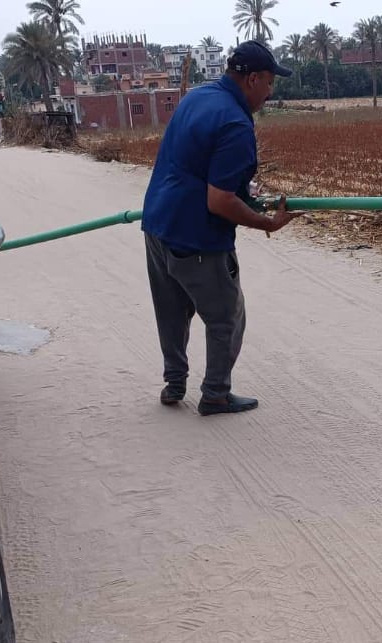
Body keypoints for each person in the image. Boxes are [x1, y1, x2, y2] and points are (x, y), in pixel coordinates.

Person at [141, 40, 300, 416]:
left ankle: (174, 383)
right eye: (269, 82)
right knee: (227, 315)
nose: (270, 92)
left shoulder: (198, 97)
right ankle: (215, 394)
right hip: (196, 236)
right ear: (253, 79)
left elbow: (195, 161)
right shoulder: (236, 124)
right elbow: (219, 202)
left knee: (171, 311)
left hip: (157, 223)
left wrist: (241, 188)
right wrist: (267, 222)